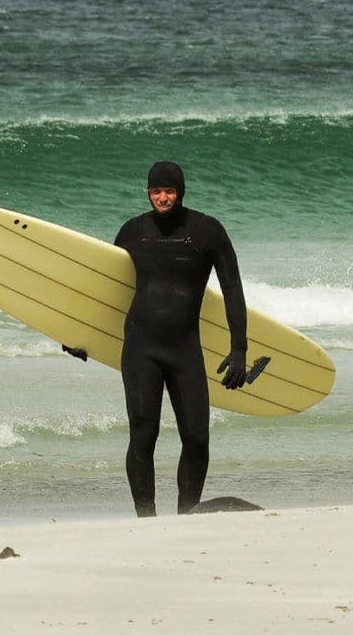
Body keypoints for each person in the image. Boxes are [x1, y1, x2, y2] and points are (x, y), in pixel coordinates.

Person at [67, 161, 248, 516]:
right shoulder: (133, 231)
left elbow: (232, 288)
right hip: (141, 348)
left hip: (185, 349)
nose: (162, 198)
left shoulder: (207, 231)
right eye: (156, 191)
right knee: (143, 435)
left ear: (181, 192)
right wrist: (82, 337)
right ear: (148, 192)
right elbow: (109, 290)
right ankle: (145, 517)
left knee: (197, 438)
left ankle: (187, 513)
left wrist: (239, 347)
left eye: (169, 191)